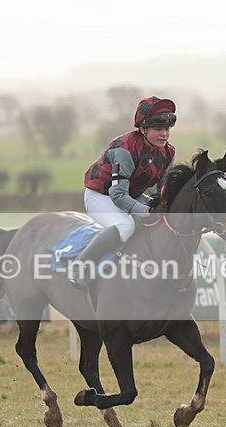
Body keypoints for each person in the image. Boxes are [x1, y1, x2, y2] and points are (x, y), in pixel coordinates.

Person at [68, 96, 177, 289]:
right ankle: (80, 266)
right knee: (125, 225)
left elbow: (162, 190)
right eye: (158, 129)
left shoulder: (168, 153)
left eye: (167, 129)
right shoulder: (124, 149)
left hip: (130, 194)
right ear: (143, 129)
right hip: (101, 195)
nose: (164, 134)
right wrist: (145, 211)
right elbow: (118, 195)